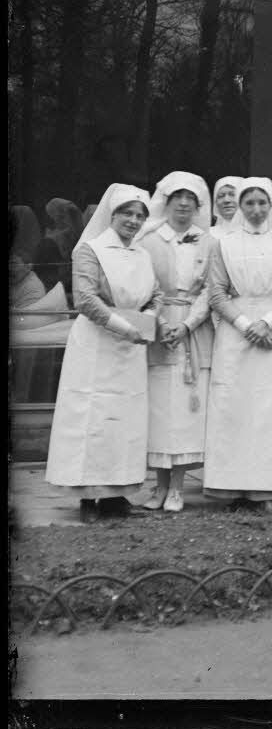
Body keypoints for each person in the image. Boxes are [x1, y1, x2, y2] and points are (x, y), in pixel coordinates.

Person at [45, 184, 160, 523]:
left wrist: (149, 318)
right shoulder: (90, 250)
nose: (134, 220)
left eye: (140, 215)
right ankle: (89, 498)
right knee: (92, 418)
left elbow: (155, 294)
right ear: (113, 214)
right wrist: (125, 327)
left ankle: (117, 494)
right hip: (97, 344)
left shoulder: (142, 254)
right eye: (127, 213)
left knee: (125, 420)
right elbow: (84, 298)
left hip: (131, 346)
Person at [203, 178, 272, 515]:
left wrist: (268, 321)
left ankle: (270, 488)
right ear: (241, 206)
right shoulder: (224, 244)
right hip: (236, 332)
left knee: (271, 411)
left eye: (263, 203)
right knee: (235, 408)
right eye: (250, 203)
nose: (257, 210)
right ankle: (234, 487)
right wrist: (247, 325)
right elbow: (216, 293)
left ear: (271, 205)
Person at [135, 172, 217, 513]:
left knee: (185, 411)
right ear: (165, 202)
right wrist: (160, 321)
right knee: (158, 410)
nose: (183, 205)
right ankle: (158, 484)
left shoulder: (209, 242)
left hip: (193, 330)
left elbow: (212, 289)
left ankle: (178, 487)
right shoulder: (148, 240)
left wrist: (186, 324)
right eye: (176, 198)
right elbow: (142, 285)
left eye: (190, 199)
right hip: (157, 328)